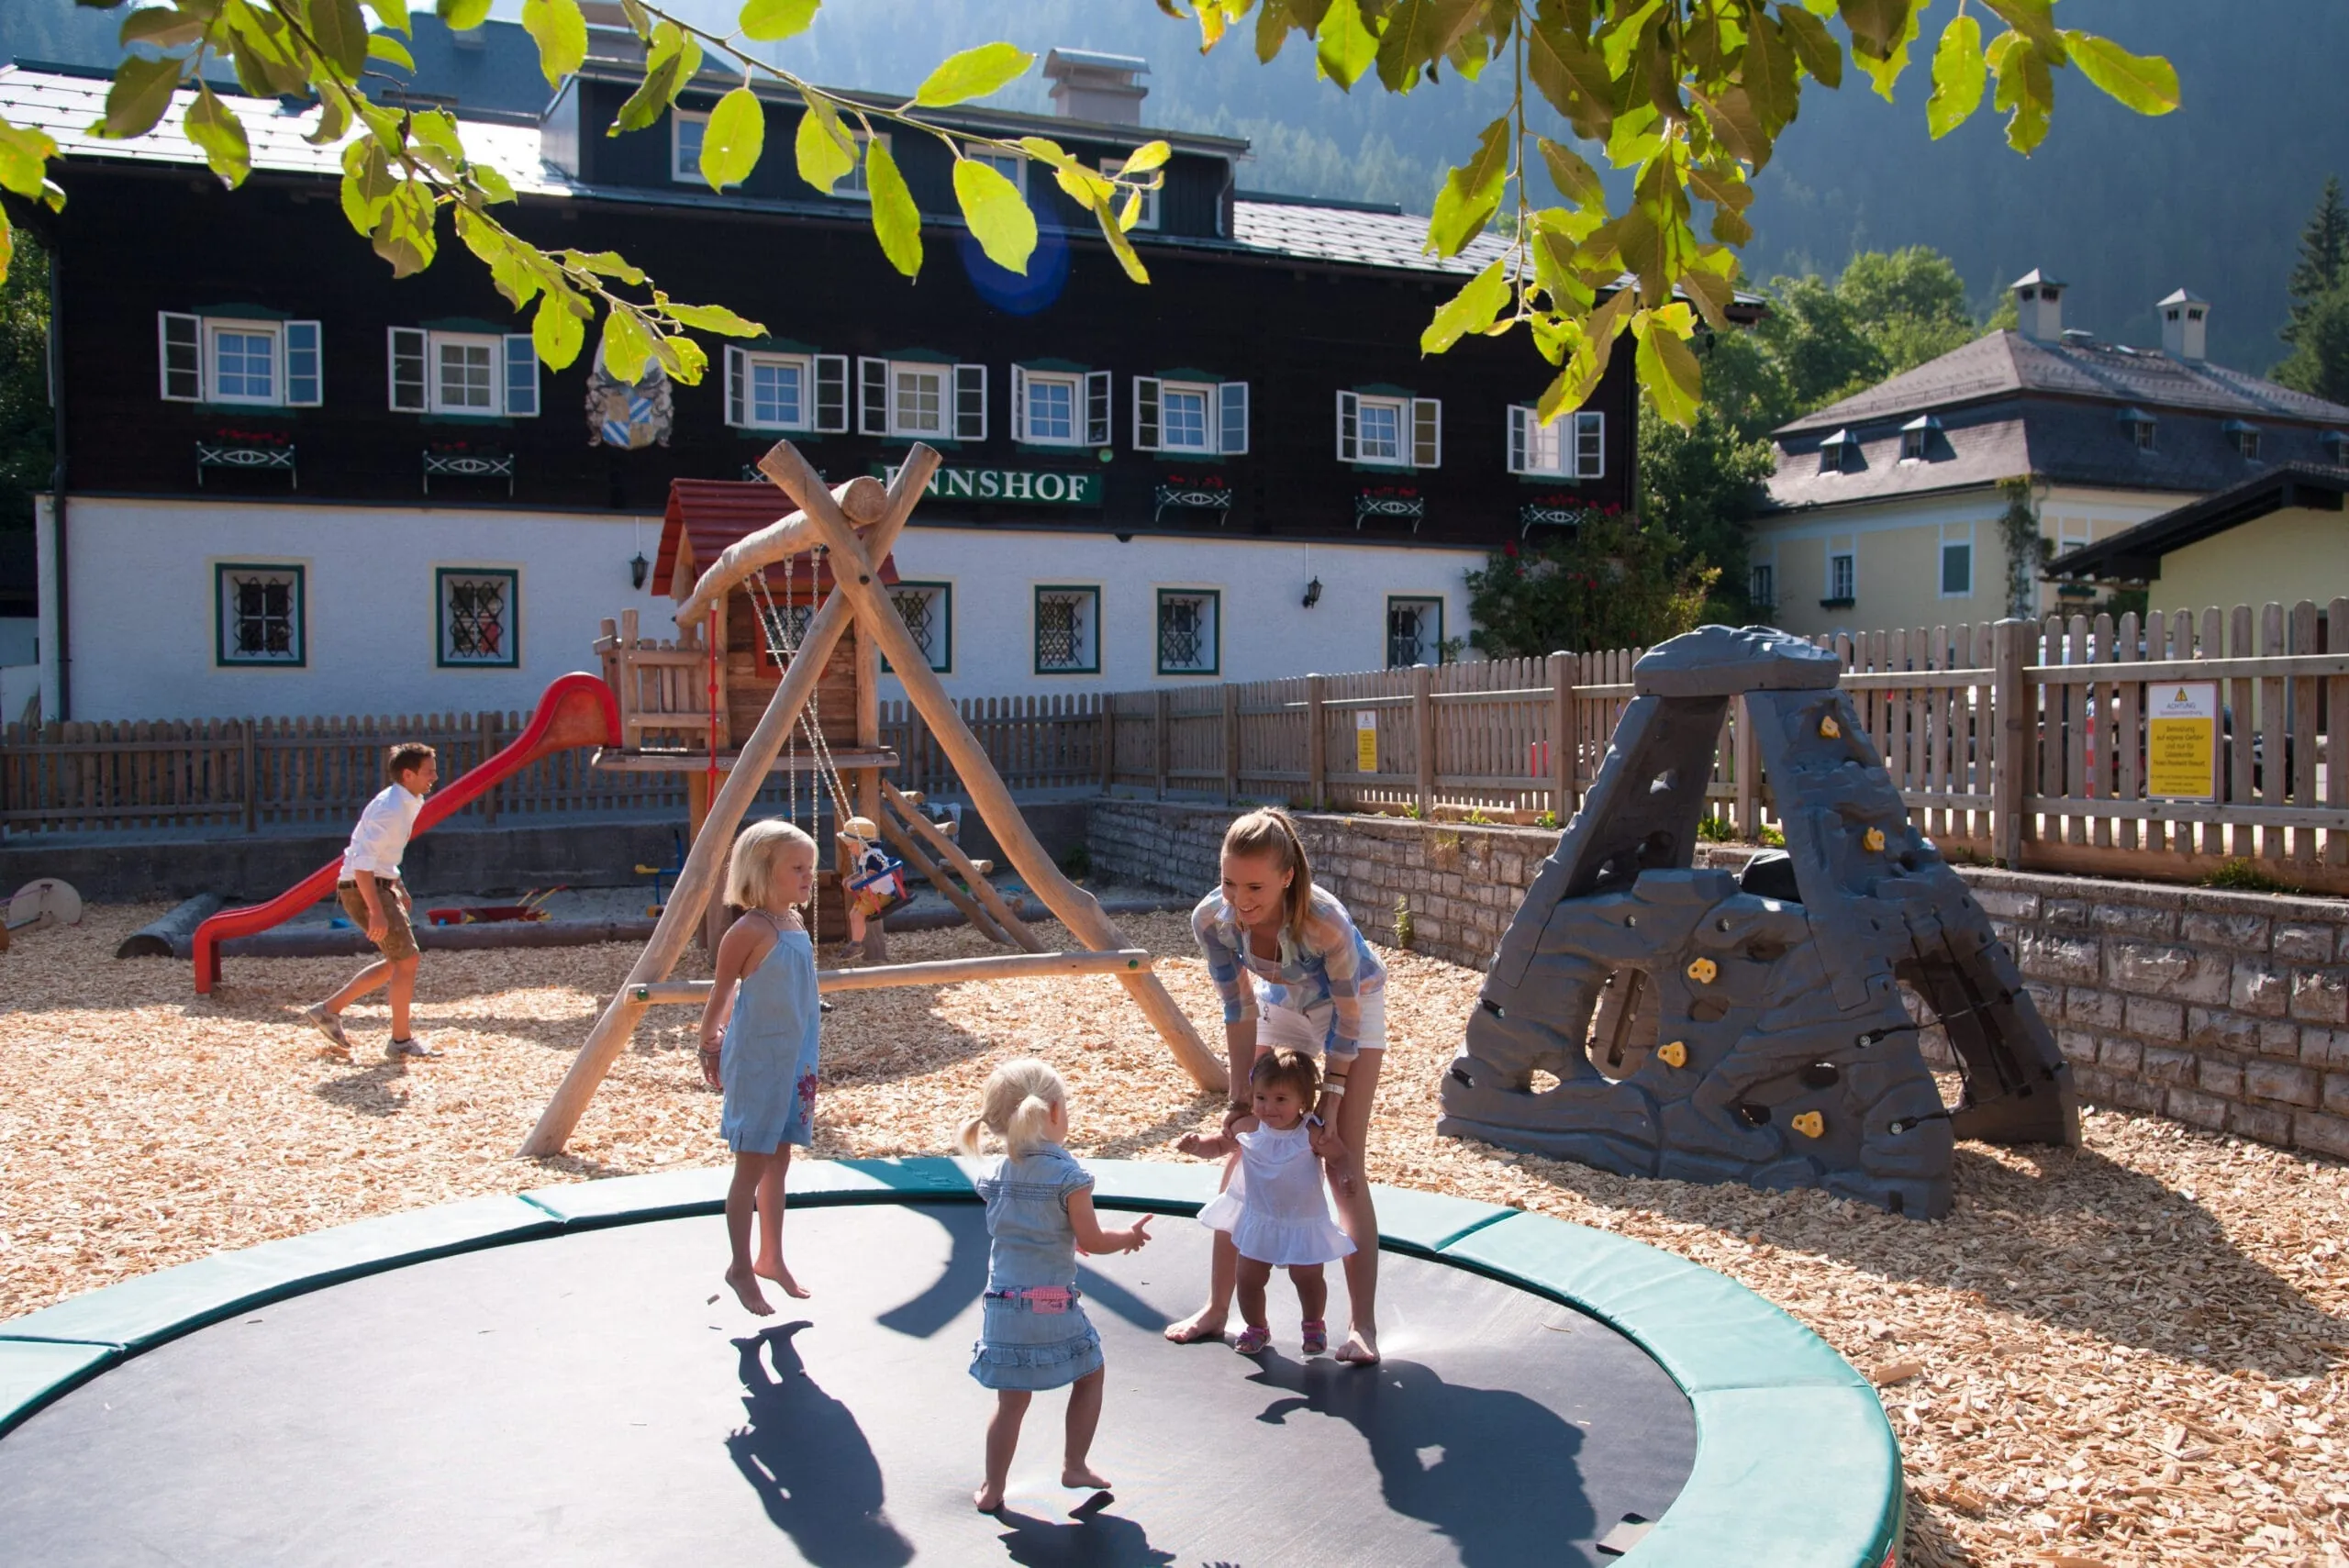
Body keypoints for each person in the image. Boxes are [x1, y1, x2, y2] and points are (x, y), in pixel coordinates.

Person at [1166, 807, 1389, 1364]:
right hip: (1281, 1003)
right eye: (1229, 883)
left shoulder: (1324, 922)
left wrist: (1331, 1102)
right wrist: (1240, 1101)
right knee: (1244, 1150)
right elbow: (1238, 1008)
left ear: (1287, 877)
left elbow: (1347, 1019)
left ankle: (1362, 1326)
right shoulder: (1212, 920)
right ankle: (1219, 1307)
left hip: (1351, 1008)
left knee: (1342, 1165)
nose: (1239, 900)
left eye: (1255, 887)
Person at [959, 1058, 1153, 1514]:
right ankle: (1074, 1464)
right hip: (1051, 1304)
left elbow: (1023, 1229)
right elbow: (1093, 1239)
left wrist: (1061, 1235)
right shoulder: (1069, 1175)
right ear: (1051, 1111)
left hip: (1002, 1305)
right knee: (1090, 1372)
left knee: (1011, 1404)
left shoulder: (997, 1174)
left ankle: (992, 1489)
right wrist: (1127, 1237)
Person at [698, 819, 824, 1315]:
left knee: (780, 1159)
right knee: (751, 1164)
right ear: (762, 871)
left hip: (793, 1059)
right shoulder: (748, 930)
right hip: (758, 1061)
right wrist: (710, 1042)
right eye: (796, 868)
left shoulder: (793, 924)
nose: (807, 876)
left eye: (809, 868)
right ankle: (739, 1266)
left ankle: (771, 1256)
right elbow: (723, 991)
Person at [1176, 1046, 1354, 1356]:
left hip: (1302, 1221)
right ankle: (1257, 1327)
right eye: (1261, 1098)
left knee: (1308, 1278)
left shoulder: (1310, 1132)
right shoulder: (1249, 1126)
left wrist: (1347, 1175)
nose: (1269, 1108)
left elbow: (1339, 1156)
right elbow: (1219, 1146)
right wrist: (1196, 1146)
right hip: (1260, 1219)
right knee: (1247, 1278)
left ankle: (1313, 1323)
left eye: (1281, 1100)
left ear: (1303, 1102)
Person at [304, 742, 440, 1062]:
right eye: (429, 771)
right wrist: (377, 911)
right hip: (364, 887)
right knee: (406, 961)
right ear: (408, 774)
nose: (435, 776)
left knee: (398, 961)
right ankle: (400, 1040)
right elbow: (363, 865)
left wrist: (398, 886)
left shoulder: (406, 801)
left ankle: (329, 1010)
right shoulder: (391, 807)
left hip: (376, 884)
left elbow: (382, 857)